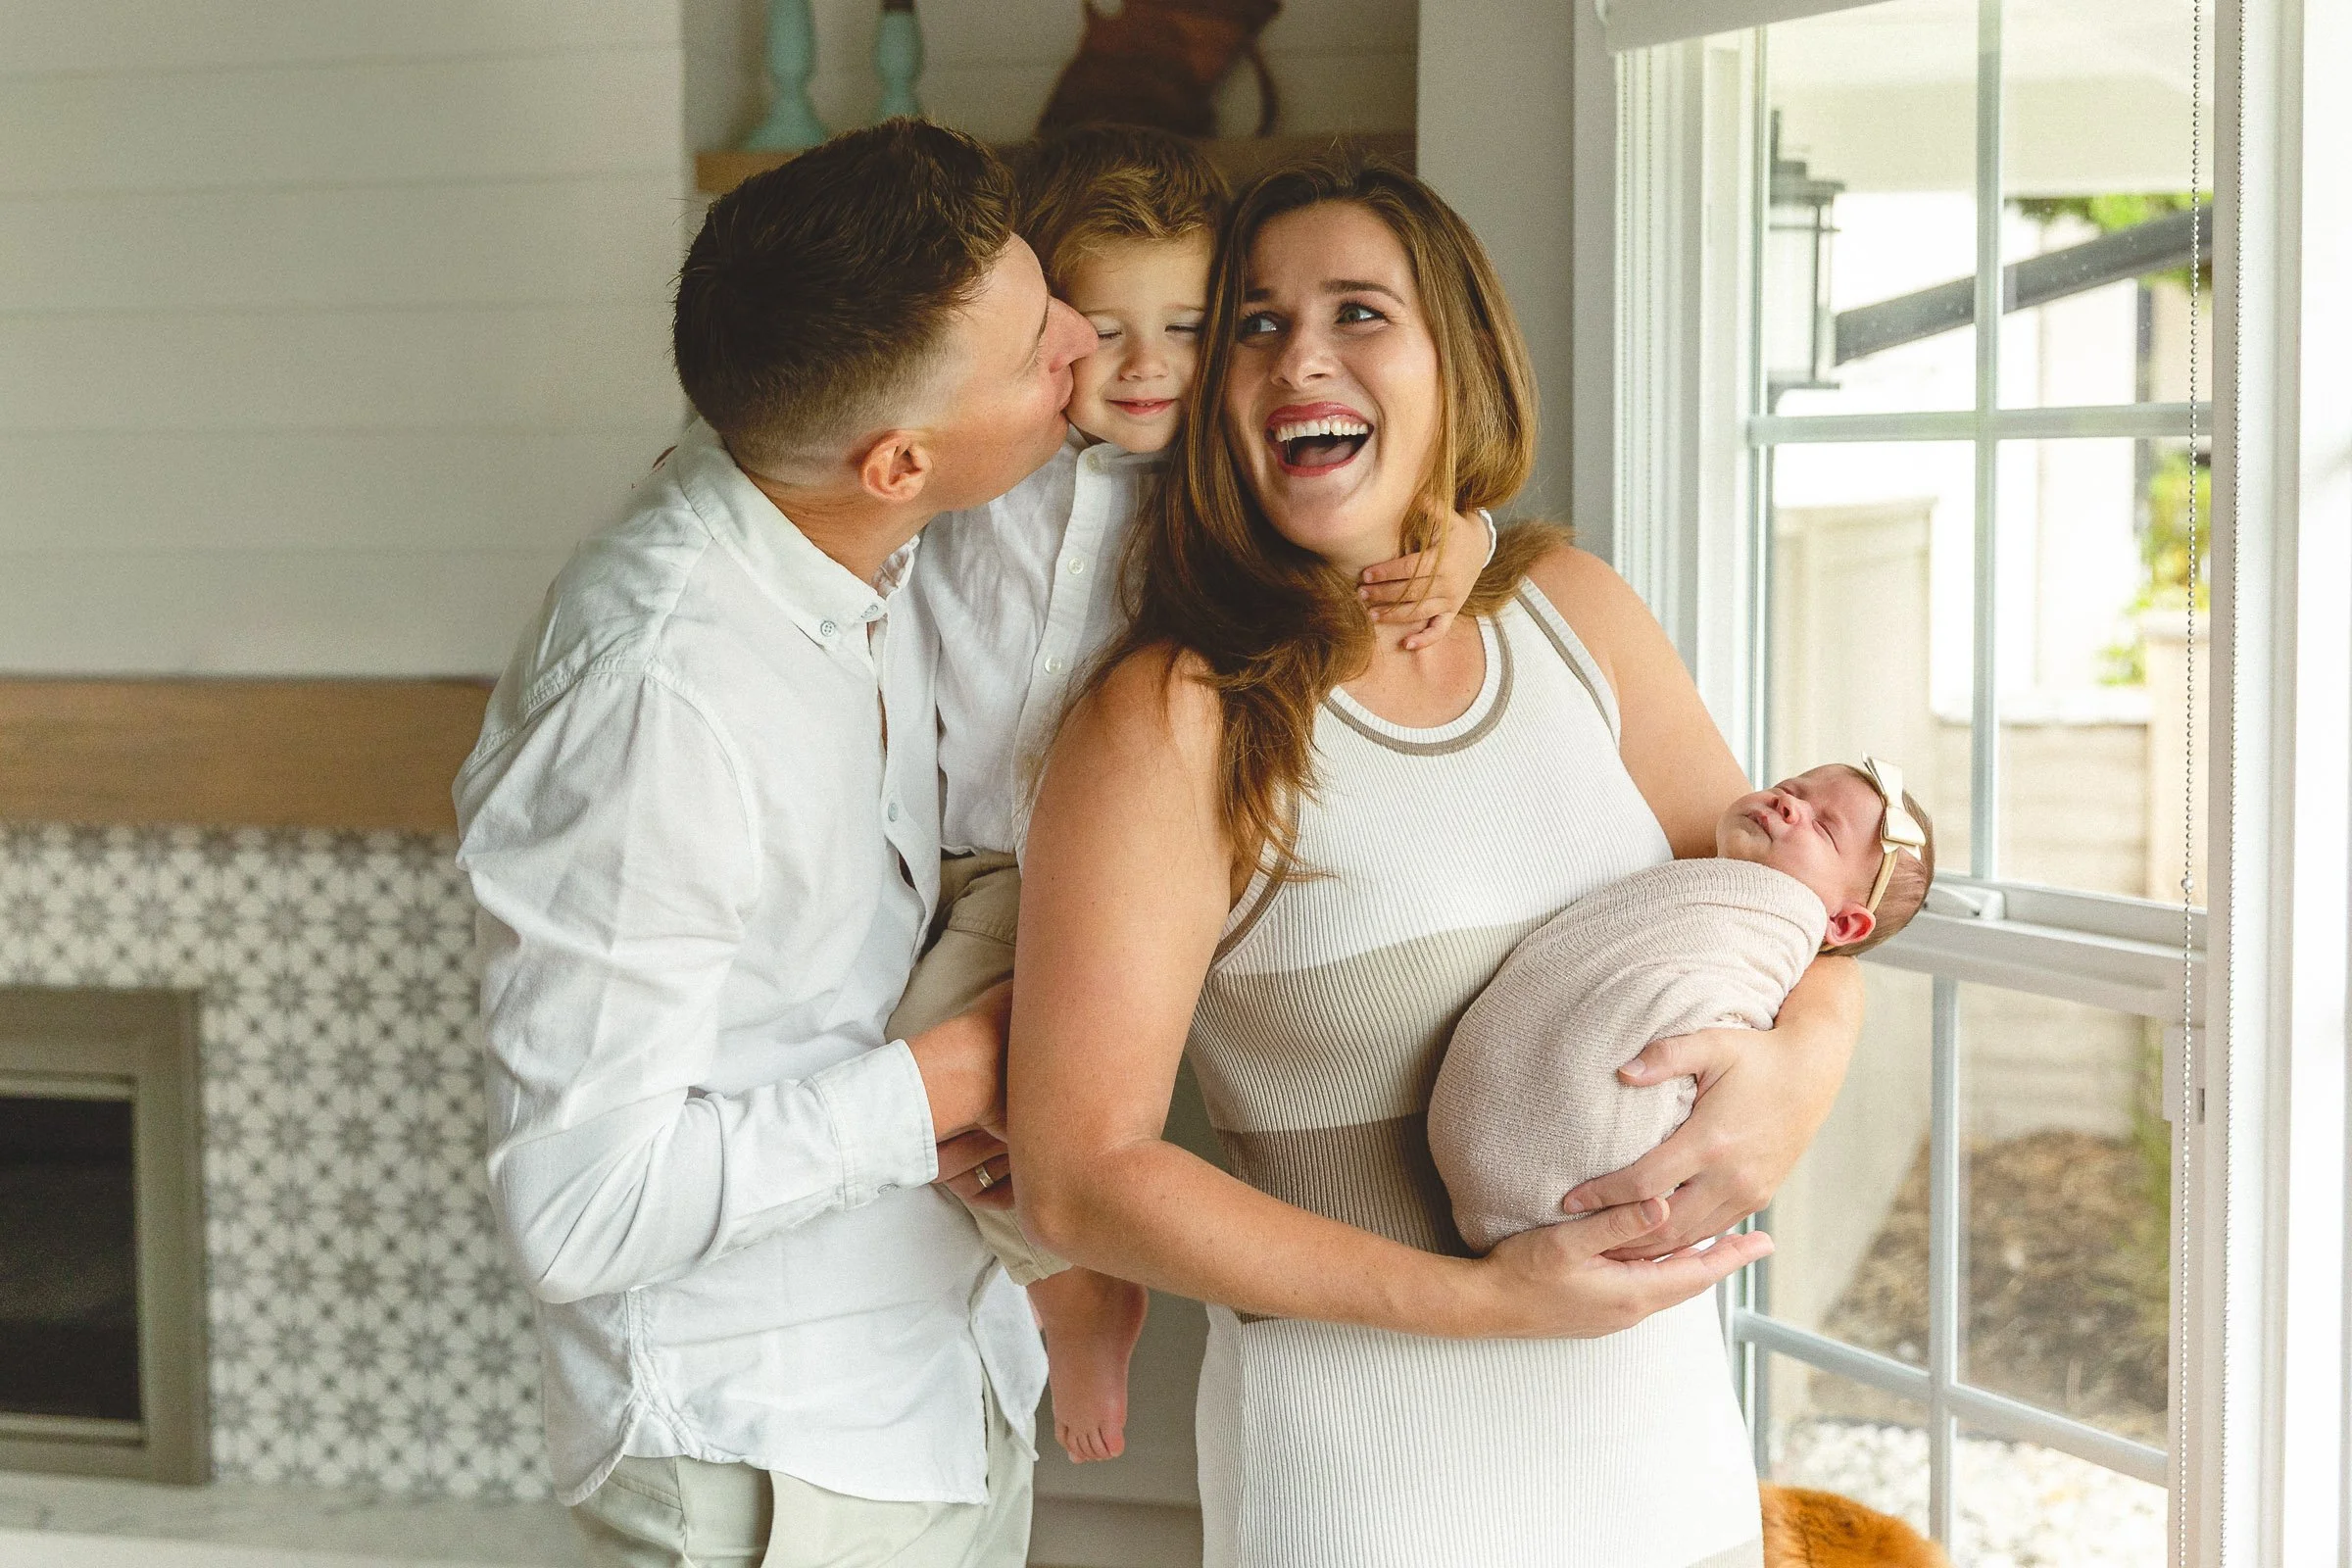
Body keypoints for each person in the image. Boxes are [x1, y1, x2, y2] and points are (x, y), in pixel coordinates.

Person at [1006, 150, 1866, 1568]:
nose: (1299, 362)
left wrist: (1802, 1070)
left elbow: (1798, 910)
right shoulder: (1173, 717)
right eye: (1258, 327)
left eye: (1358, 313)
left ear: (1456, 360)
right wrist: (1487, 1304)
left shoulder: (1576, 617)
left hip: (1663, 1450)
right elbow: (1080, 1176)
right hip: (1370, 1481)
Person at [453, 122, 1094, 1568]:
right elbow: (579, 1207)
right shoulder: (656, 698)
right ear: (897, 460)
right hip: (764, 1458)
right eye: (1033, 343)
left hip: (946, 1388)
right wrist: (939, 1084)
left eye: (1042, 292)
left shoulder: (858, 537)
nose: (1080, 336)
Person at [895, 123, 1494, 1465]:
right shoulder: (989, 471)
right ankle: (1020, 1270)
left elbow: (1385, 524)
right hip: (917, 838)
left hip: (1057, 868)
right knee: (896, 1087)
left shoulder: (1210, 495)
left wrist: (1470, 534)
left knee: (954, 1078)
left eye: (1186, 327)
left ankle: (1077, 1285)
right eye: (1104, 332)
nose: (1148, 367)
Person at [1433, 760, 1936, 1251]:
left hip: (1589, 1177)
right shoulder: (1697, 890)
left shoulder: (1759, 941)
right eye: (1792, 788)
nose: (1788, 805)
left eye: (1824, 828)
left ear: (1843, 927)